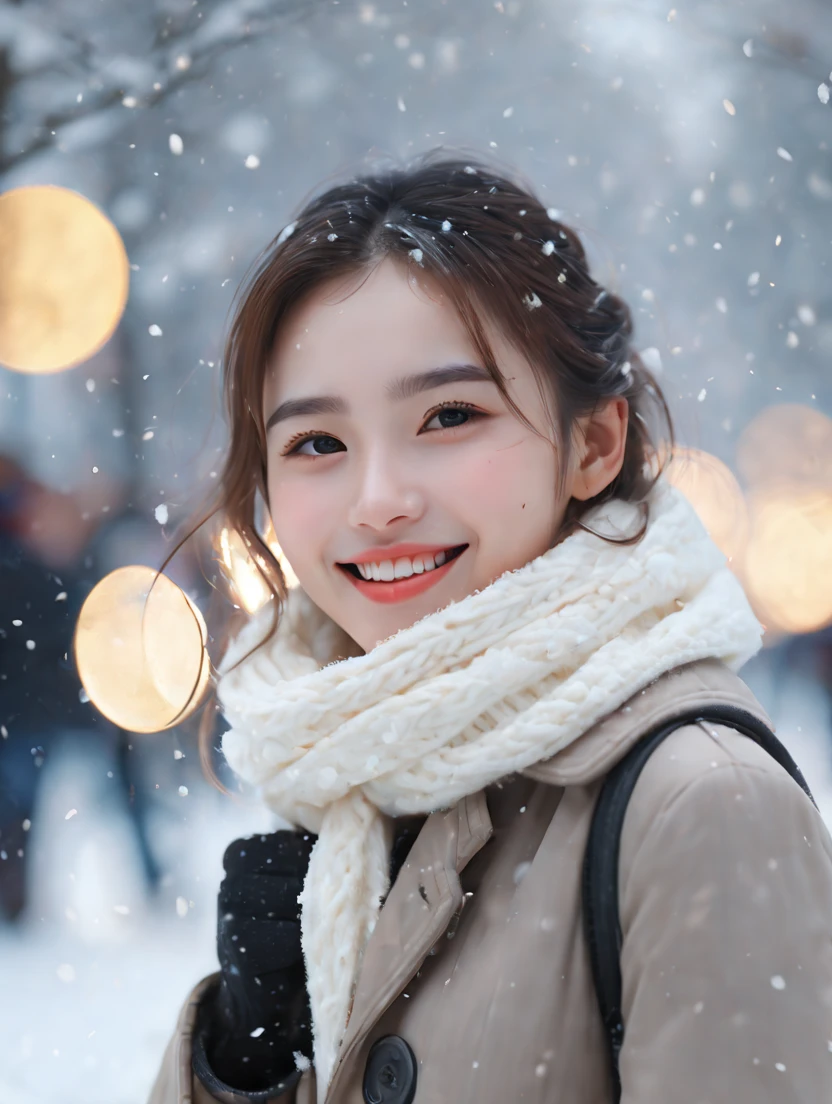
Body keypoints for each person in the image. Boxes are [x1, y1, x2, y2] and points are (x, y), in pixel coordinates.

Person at [149, 153, 832, 1104]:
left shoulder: (702, 807)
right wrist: (243, 1067)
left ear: (592, 443)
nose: (379, 500)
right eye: (317, 443)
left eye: (450, 415)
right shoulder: (351, 773)